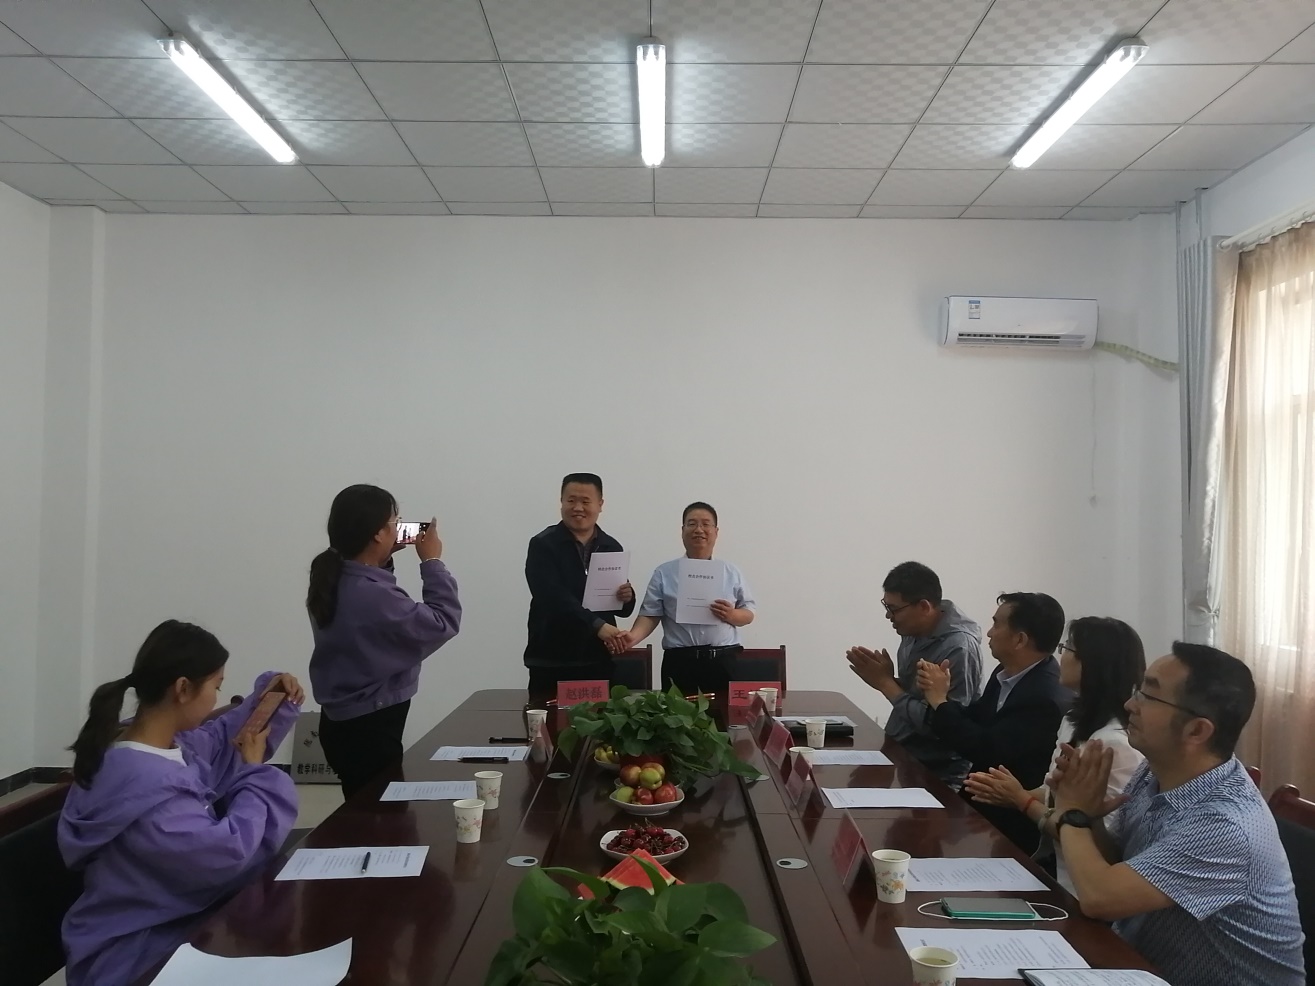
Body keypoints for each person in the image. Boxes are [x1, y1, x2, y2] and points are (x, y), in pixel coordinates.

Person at [59, 620, 302, 986]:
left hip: (167, 921)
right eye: (216, 687)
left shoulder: (152, 743)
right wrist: (256, 774)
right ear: (183, 689)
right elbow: (228, 854)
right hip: (136, 951)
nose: (217, 700)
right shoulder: (147, 787)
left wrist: (268, 701)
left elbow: (219, 741)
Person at [1049, 643, 1304, 986]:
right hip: (1139, 967)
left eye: (1148, 696)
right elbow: (1119, 867)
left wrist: (1072, 812)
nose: (1129, 704)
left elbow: (1100, 898)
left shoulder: (1224, 824)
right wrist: (1090, 817)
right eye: (1138, 690)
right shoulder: (1154, 771)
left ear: (1196, 731)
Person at [964, 616, 1146, 893]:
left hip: (1085, 887)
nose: (1061, 656)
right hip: (1053, 867)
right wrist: (1009, 791)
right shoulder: (1073, 719)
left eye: (1068, 648)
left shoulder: (1114, 744)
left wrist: (1021, 799)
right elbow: (1056, 793)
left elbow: (1094, 836)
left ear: (1092, 663)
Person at [307, 484, 461, 798]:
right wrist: (432, 562)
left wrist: (384, 554)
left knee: (363, 808)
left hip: (342, 722)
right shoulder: (370, 593)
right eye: (394, 521)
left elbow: (378, 607)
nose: (399, 526)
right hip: (370, 728)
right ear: (377, 533)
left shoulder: (335, 575)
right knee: (382, 814)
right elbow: (442, 621)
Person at [915, 591, 1071, 853]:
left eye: (996, 624)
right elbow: (977, 717)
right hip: (979, 807)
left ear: (1020, 639)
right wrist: (940, 697)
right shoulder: (1006, 672)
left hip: (1009, 826)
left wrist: (940, 701)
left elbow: (986, 749)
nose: (988, 633)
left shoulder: (1043, 697)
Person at [845, 561, 983, 787]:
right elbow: (917, 696)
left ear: (924, 607)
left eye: (894, 609)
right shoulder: (912, 631)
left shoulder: (959, 648)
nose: (888, 616)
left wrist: (886, 684)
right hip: (902, 755)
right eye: (886, 606)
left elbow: (944, 727)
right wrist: (886, 678)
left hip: (938, 772)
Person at [614, 502, 756, 694]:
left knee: (724, 714)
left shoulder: (731, 571)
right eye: (692, 524)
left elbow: (749, 613)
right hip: (680, 663)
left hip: (723, 662)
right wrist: (633, 636)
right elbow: (650, 614)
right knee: (677, 714)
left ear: (716, 532)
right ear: (682, 531)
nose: (699, 530)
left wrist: (732, 615)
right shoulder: (664, 572)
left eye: (706, 524)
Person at [523, 473, 635, 694]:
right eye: (571, 500)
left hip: (597, 659)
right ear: (561, 501)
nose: (577, 508)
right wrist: (597, 626)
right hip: (551, 660)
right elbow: (552, 598)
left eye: (585, 501)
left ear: (600, 504)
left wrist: (627, 597)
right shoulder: (543, 545)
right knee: (550, 717)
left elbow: (619, 609)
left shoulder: (611, 546)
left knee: (599, 717)